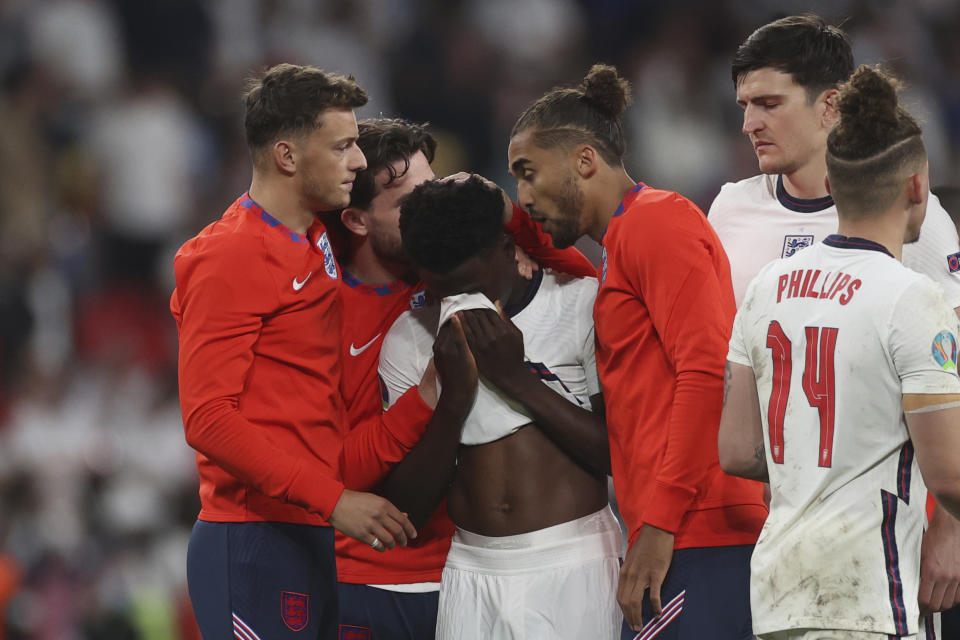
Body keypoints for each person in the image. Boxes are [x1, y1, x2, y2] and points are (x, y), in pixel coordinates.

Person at [708, 15, 960, 626]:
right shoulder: (729, 210)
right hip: (760, 536)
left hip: (882, 547)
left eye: (769, 103)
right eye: (743, 105)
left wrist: (949, 532)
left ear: (830, 106)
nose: (749, 124)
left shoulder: (919, 229)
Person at [505, 64, 767, 639]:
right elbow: (582, 270)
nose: (522, 197)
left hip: (701, 532)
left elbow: (705, 375)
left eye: (528, 174)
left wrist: (659, 525)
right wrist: (509, 223)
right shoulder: (626, 239)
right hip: (684, 531)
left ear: (583, 160)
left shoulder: (658, 223)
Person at [170, 64, 418, 640]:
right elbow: (207, 418)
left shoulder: (313, 235)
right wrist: (334, 500)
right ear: (286, 156)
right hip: (251, 537)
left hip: (306, 530)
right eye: (343, 146)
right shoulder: (231, 255)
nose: (358, 163)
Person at [331, 118, 598, 639]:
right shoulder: (392, 327)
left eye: (431, 187)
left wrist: (511, 220)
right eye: (405, 201)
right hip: (429, 575)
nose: (426, 207)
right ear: (358, 221)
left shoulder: (563, 295)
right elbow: (348, 477)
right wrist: (443, 397)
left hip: (563, 560)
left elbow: (587, 290)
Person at [377, 176, 621, 639]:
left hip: (577, 560)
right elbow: (405, 510)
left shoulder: (579, 304)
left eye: (471, 286)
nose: (459, 304)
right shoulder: (409, 338)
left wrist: (516, 379)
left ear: (508, 249)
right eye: (442, 290)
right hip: (471, 571)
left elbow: (619, 457)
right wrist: (451, 401)